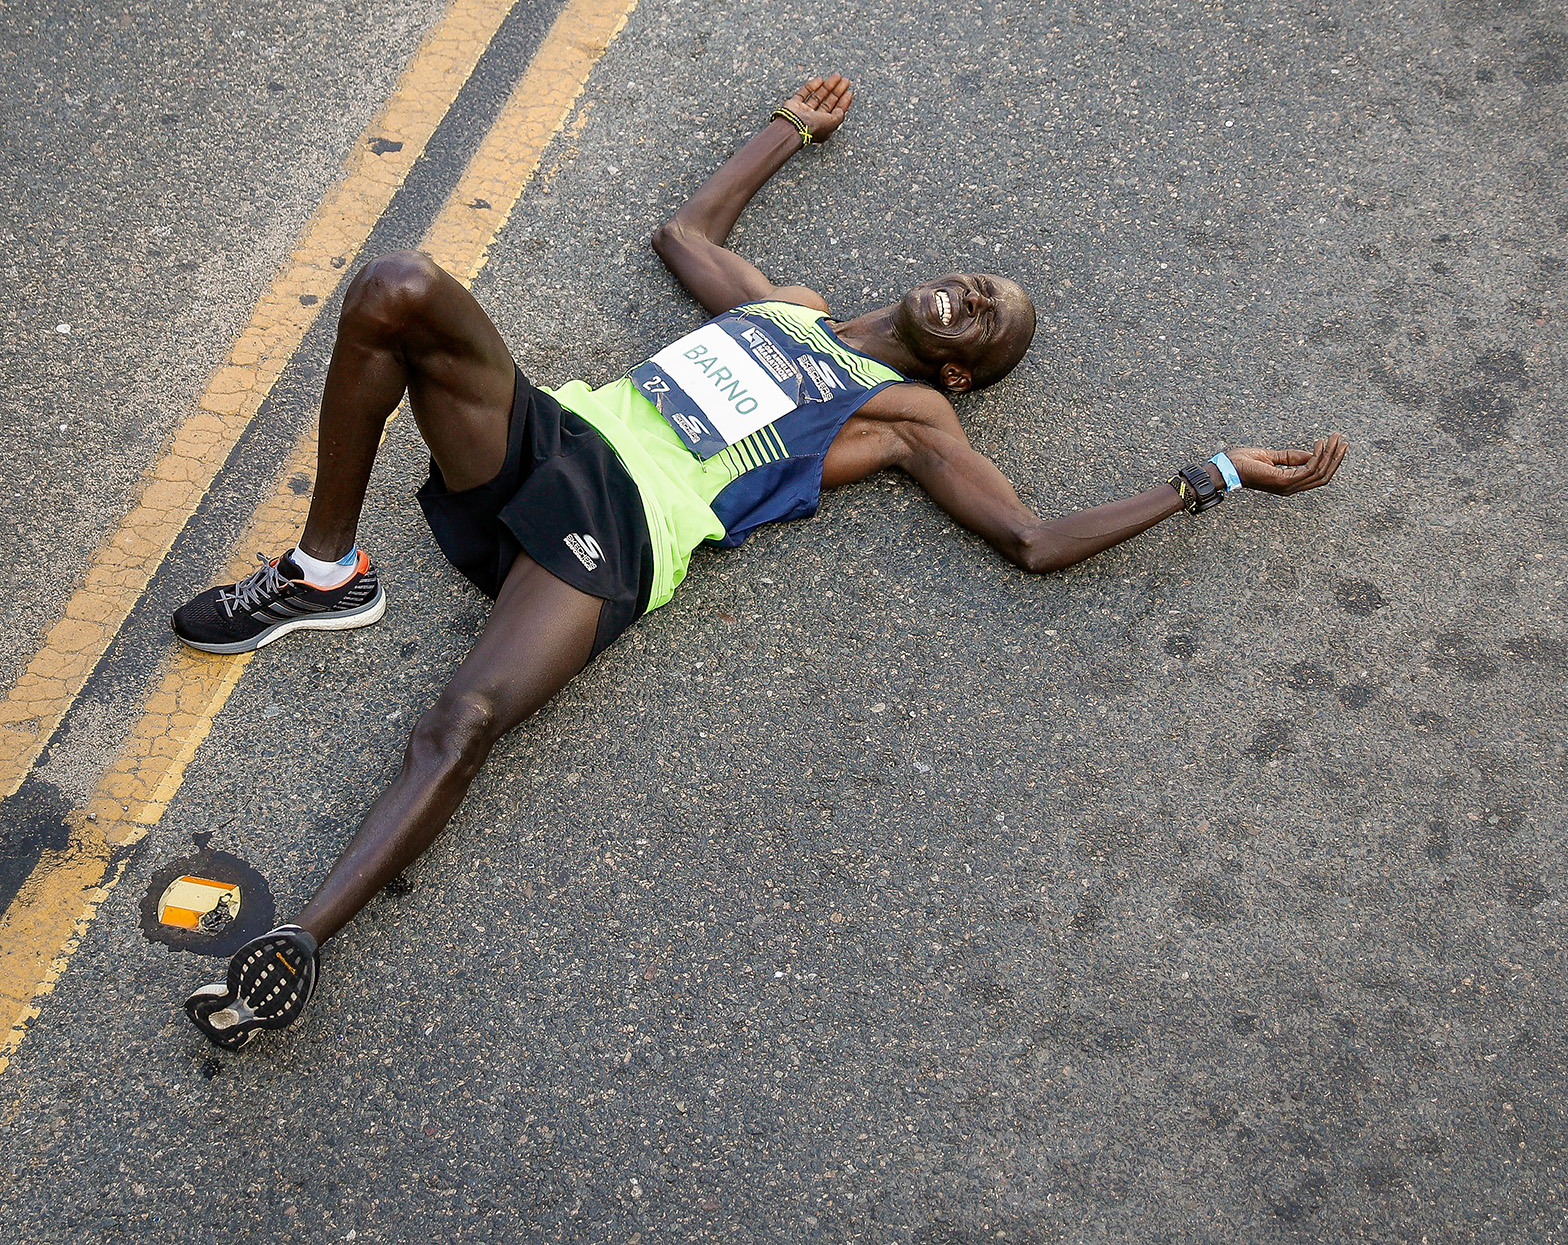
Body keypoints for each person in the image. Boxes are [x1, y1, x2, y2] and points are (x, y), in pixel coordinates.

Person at [173, 74, 1350, 1049]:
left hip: (624, 527)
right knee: (398, 289)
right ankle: (326, 575)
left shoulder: (903, 417)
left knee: (462, 720)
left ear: (959, 375)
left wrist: (1210, 476)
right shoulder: (789, 310)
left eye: (988, 321)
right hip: (556, 439)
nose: (975, 295)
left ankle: (304, 939)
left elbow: (1031, 541)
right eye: (984, 282)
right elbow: (684, 234)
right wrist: (785, 130)